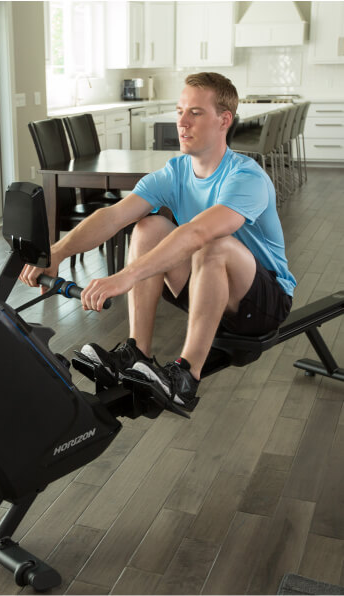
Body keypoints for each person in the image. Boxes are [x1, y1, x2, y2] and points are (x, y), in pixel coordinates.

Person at [20, 72, 296, 411]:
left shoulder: (245, 176)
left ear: (224, 120)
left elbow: (197, 233)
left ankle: (186, 379)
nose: (181, 121)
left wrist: (124, 276)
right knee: (149, 226)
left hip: (260, 304)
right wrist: (57, 252)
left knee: (215, 244)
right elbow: (114, 215)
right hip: (205, 292)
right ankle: (138, 351)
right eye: (179, 111)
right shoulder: (176, 171)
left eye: (195, 112)